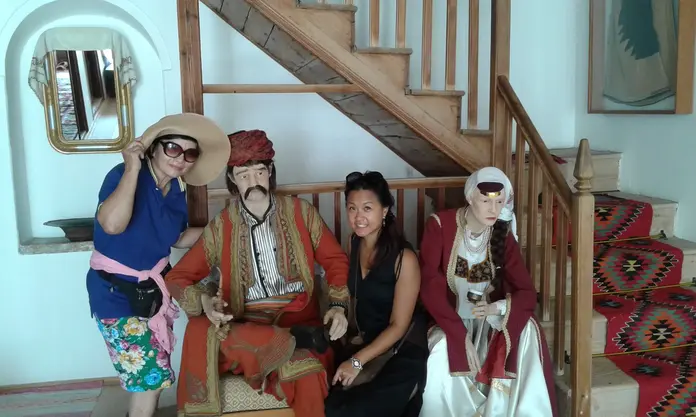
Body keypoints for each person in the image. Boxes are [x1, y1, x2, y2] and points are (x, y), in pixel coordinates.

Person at [164, 130, 351, 417]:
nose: (253, 182)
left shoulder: (302, 213)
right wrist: (205, 302)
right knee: (203, 329)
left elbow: (335, 260)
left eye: (260, 172)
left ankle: (291, 340)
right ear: (231, 179)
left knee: (308, 374)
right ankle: (289, 339)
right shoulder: (222, 226)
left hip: (299, 317)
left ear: (270, 172)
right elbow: (177, 277)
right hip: (246, 323)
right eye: (243, 175)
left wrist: (337, 305)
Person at [86, 113, 231, 417]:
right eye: (173, 148)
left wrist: (224, 227)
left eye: (190, 153)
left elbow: (176, 237)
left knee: (150, 377)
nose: (181, 159)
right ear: (153, 148)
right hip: (116, 292)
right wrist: (132, 167)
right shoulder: (123, 175)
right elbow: (112, 225)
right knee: (150, 377)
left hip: (152, 292)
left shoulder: (176, 190)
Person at [418, 167, 557, 417]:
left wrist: (496, 308)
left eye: (499, 202)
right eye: (485, 201)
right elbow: (430, 285)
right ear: (470, 198)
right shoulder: (441, 225)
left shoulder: (502, 234)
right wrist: (459, 334)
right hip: (448, 320)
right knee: (442, 347)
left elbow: (526, 291)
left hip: (486, 321)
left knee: (527, 328)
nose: (493, 209)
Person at [325, 171, 429, 417]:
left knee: (354, 411)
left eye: (367, 208)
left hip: (400, 350)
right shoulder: (354, 242)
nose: (358, 217)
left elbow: (399, 326)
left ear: (384, 211)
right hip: (368, 345)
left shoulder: (404, 259)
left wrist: (356, 362)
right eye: (352, 208)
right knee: (331, 405)